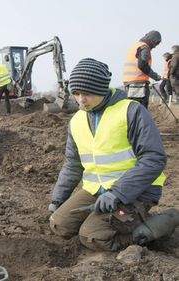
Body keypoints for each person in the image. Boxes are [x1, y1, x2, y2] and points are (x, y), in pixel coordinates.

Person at [48, 58, 179, 252]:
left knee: (93, 236)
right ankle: (116, 220)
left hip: (136, 190)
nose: (81, 100)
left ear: (101, 89)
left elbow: (154, 158)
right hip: (97, 190)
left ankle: (158, 224)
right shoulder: (76, 121)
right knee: (60, 224)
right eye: (76, 93)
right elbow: (72, 165)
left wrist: (118, 192)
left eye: (87, 93)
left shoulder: (131, 111)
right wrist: (57, 200)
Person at [123, 30, 162, 109]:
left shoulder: (135, 46)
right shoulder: (144, 47)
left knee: (132, 110)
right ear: (152, 40)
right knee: (141, 111)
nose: (155, 46)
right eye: (156, 43)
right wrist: (156, 76)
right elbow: (142, 65)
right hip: (138, 84)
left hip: (129, 83)